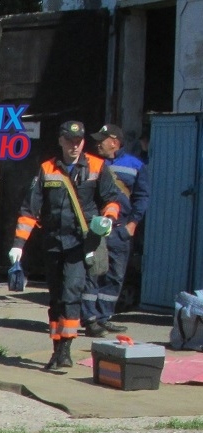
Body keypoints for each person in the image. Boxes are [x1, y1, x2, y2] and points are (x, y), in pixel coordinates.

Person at [11, 120, 127, 373]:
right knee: (55, 299)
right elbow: (30, 210)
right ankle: (56, 348)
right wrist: (19, 244)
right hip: (53, 242)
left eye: (79, 141)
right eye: (70, 141)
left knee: (71, 294)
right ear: (61, 141)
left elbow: (111, 199)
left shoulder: (97, 167)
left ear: (83, 142)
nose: (75, 146)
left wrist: (107, 219)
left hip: (81, 243)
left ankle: (65, 350)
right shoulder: (47, 169)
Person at [82, 123, 149, 335]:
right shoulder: (89, 163)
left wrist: (132, 225)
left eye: (101, 140)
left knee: (114, 276)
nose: (97, 144)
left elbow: (142, 197)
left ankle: (104, 317)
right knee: (92, 272)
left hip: (120, 229)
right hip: (96, 227)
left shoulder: (135, 165)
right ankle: (90, 318)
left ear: (114, 142)